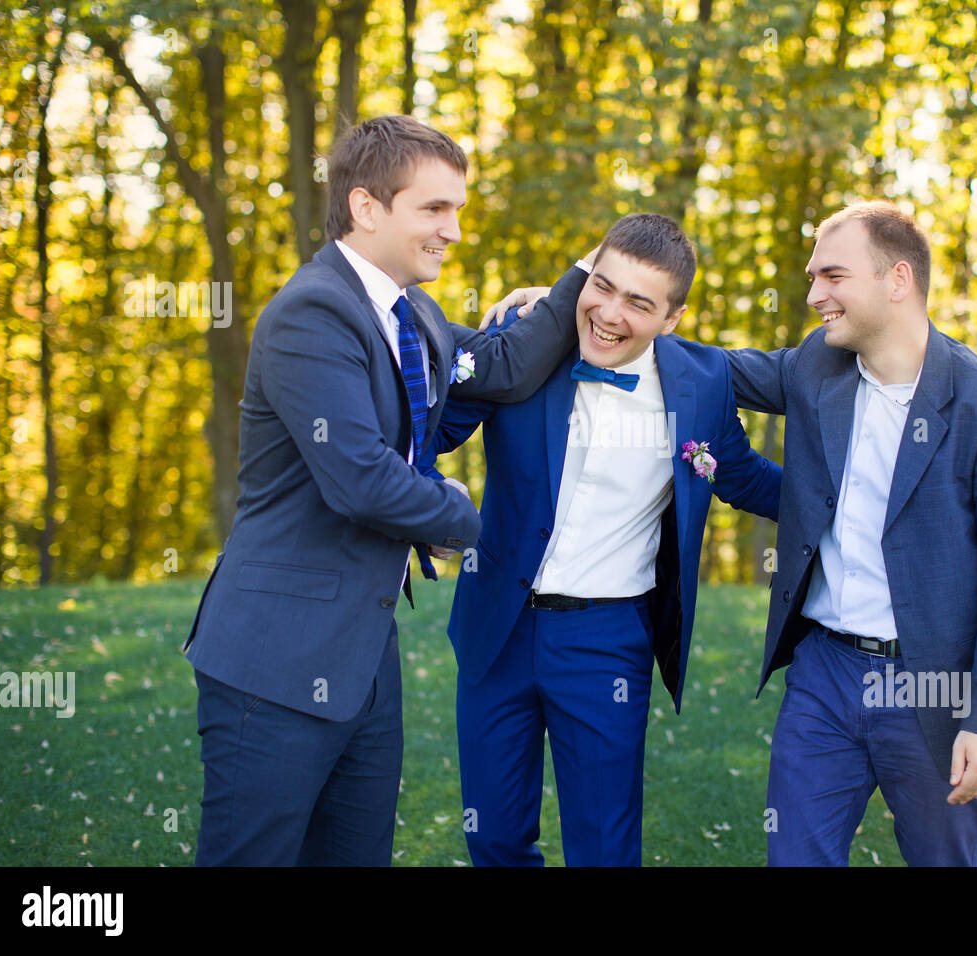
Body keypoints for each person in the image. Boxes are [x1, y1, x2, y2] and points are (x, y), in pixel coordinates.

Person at [181, 114, 590, 866]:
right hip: (273, 662)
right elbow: (363, 479)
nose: (454, 230)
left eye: (458, 210)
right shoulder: (312, 313)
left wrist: (581, 285)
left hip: (364, 663)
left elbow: (498, 368)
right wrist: (470, 520)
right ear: (367, 207)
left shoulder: (414, 315)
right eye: (434, 209)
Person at [420, 213, 782, 866]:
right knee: (493, 837)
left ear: (671, 319)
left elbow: (743, 478)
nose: (609, 314)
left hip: (607, 641)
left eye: (638, 304)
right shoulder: (525, 347)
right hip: (496, 626)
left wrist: (853, 507)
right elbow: (433, 426)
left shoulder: (700, 388)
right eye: (602, 287)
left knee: (604, 847)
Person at [722, 200, 977, 865]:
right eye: (814, 276)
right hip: (823, 671)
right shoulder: (817, 367)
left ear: (897, 280)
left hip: (932, 684)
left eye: (832, 277)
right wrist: (579, 305)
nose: (814, 294)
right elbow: (710, 369)